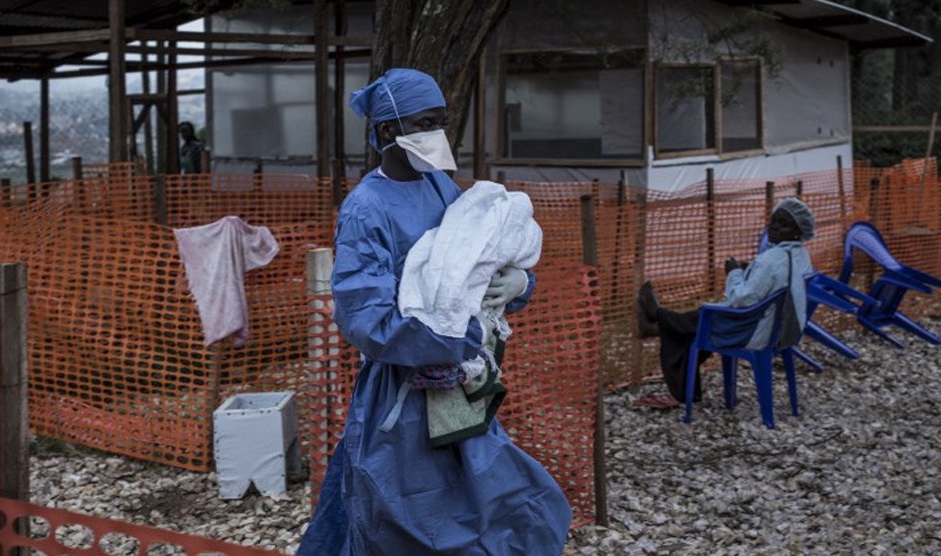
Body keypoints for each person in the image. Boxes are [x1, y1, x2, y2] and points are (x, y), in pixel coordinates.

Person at [296, 68, 571, 555]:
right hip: (401, 396)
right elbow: (367, 318)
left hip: (459, 391)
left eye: (442, 121)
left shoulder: (441, 188)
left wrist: (518, 284)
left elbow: (478, 262)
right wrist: (454, 339)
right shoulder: (366, 209)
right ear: (387, 130)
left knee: (504, 505)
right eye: (425, 122)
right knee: (402, 521)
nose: (438, 135)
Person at [634, 198, 816, 409]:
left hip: (754, 333)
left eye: (783, 224)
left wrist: (734, 272)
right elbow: (773, 282)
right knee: (698, 320)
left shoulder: (772, 258)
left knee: (698, 321)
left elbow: (740, 299)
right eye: (773, 221)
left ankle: (659, 320)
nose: (774, 227)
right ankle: (659, 321)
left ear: (798, 231)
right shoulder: (800, 255)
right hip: (783, 330)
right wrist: (751, 270)